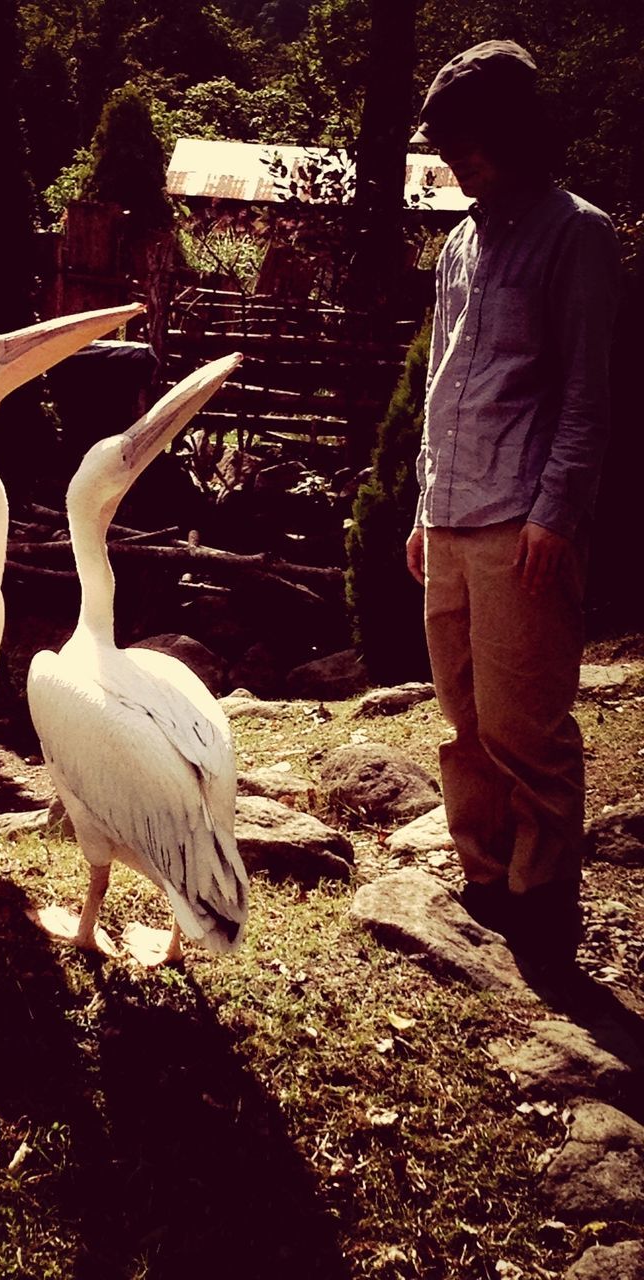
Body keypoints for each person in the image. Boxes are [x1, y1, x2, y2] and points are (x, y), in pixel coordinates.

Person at [405, 39, 621, 972]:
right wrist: (421, 504)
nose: (455, 158)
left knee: (524, 725)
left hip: (521, 525)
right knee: (463, 718)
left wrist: (555, 514)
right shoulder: (457, 240)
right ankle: (484, 877)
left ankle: (543, 902)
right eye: (447, 142)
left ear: (517, 132)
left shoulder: (578, 232)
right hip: (448, 517)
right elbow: (442, 386)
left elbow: (588, 394)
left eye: (469, 139)